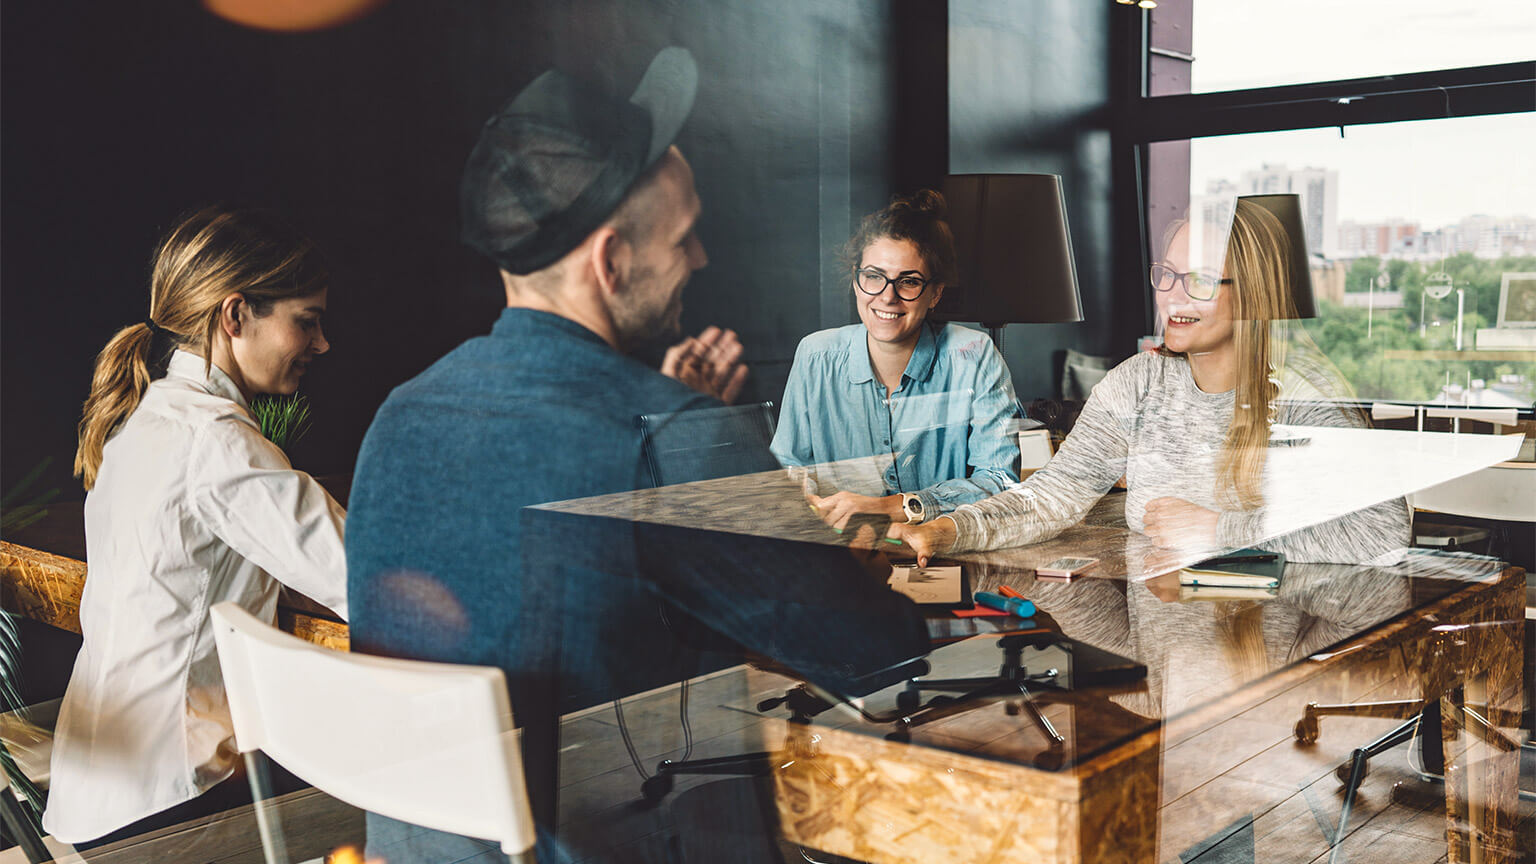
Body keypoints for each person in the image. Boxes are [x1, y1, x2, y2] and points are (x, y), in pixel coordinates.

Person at [344, 48, 927, 863]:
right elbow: (882, 655)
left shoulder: (399, 416)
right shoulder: (667, 438)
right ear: (610, 261)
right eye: (685, 239)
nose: (702, 261)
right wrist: (820, 552)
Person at [44, 206, 347, 849]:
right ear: (235, 316)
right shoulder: (216, 441)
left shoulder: (148, 418)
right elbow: (365, 573)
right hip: (170, 799)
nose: (322, 344)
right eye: (308, 320)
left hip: (99, 790)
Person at [894, 198, 1411, 565]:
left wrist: (1220, 531)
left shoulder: (1301, 392)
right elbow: (1055, 494)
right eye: (1166, 273)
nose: (1174, 297)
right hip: (1166, 679)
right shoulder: (1137, 383)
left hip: (1269, 689)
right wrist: (950, 530)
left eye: (1202, 281)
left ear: (1253, 294)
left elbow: (1379, 532)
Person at [771, 190, 1022, 530]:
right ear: (856, 282)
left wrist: (892, 507)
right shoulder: (815, 356)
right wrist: (804, 501)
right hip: (844, 555)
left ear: (935, 293)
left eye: (909, 281)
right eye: (873, 276)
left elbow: (999, 480)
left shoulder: (974, 355)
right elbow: (789, 471)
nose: (887, 297)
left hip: (946, 550)